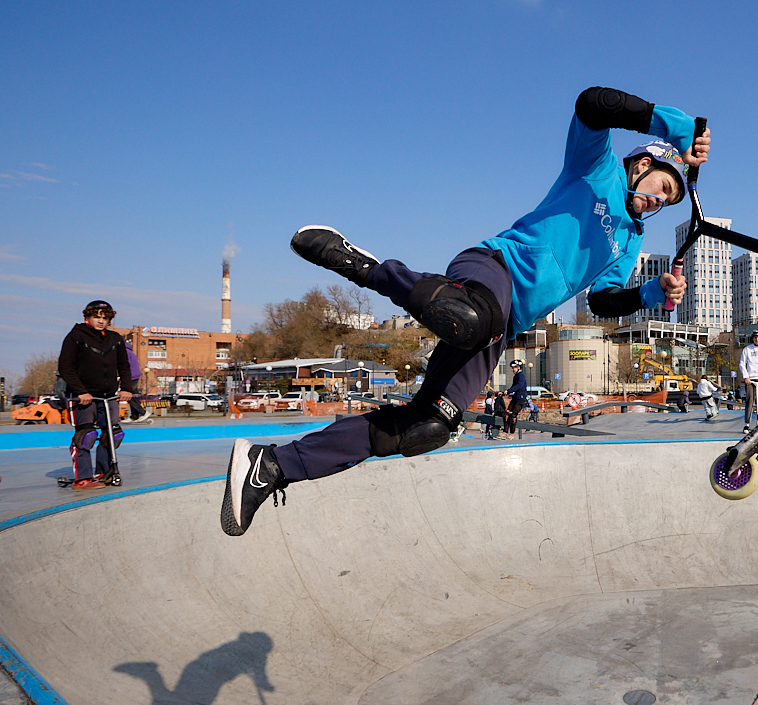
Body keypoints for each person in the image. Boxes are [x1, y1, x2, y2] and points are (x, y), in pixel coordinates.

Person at [220, 87, 710, 535]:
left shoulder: (630, 239)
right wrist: (676, 126)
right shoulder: (596, 167)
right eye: (661, 187)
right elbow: (590, 104)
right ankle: (367, 269)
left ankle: (272, 465)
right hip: (492, 267)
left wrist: (652, 293)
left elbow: (603, 299)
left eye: (667, 201)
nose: (657, 201)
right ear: (641, 163)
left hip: (505, 324)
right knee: (472, 317)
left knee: (430, 424)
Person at [57, 300, 134, 489]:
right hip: (83, 397)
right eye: (96, 317)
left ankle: (103, 472)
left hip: (108, 396)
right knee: (86, 435)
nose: (100, 321)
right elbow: (66, 368)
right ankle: (82, 478)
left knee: (113, 435)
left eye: (105, 318)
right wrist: (80, 391)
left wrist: (126, 388)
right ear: (87, 317)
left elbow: (124, 366)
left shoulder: (115, 339)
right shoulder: (76, 336)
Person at [504, 359, 528, 437]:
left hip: (520, 399)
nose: (512, 370)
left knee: (513, 415)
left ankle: (512, 433)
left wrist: (509, 391)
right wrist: (507, 392)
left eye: (513, 368)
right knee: (507, 414)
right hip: (515, 398)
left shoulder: (521, 376)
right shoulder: (516, 376)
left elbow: (519, 386)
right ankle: (505, 432)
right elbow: (513, 386)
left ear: (518, 367)